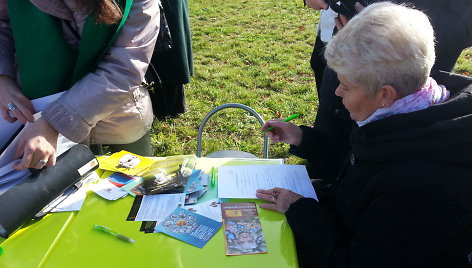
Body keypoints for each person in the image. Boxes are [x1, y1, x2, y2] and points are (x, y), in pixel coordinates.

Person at [258, 3, 472, 267]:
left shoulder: (418, 182)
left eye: (346, 86)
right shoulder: (407, 110)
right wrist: (303, 139)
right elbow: (360, 165)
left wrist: (300, 211)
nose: (337, 92)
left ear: (384, 94)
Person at [302, 0, 472, 181]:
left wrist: (383, 39)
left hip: (401, 57)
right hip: (353, 45)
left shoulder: (409, 170)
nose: (339, 91)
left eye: (343, 87)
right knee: (338, 141)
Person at [0, 0, 159, 170]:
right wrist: (3, 77)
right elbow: (3, 25)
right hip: (40, 118)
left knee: (138, 181)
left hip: (118, 111)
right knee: (72, 187)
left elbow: (124, 68)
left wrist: (53, 122)